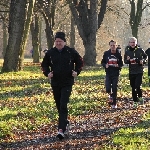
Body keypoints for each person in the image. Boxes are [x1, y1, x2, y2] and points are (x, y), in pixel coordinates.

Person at [41, 31, 83, 140]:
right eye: (56, 41)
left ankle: (61, 130)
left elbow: (80, 62)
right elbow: (44, 65)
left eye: (60, 41)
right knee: (59, 105)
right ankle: (65, 122)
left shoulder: (71, 52)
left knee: (63, 104)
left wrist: (77, 72)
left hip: (67, 82)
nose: (58, 43)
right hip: (55, 82)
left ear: (64, 42)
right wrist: (47, 73)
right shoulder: (50, 53)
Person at [124, 37, 147, 107]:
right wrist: (127, 60)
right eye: (131, 42)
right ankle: (135, 102)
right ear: (129, 43)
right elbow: (125, 61)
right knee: (133, 87)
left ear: (136, 43)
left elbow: (146, 57)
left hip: (139, 71)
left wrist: (143, 61)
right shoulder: (127, 51)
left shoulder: (140, 50)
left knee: (138, 86)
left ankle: (140, 98)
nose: (132, 44)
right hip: (131, 72)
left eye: (134, 42)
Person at [101, 40, 123, 109]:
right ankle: (110, 95)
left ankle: (114, 103)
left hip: (116, 73)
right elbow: (102, 62)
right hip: (108, 73)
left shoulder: (118, 54)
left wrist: (118, 66)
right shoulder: (106, 53)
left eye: (114, 45)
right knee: (108, 88)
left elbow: (121, 64)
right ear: (109, 46)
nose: (113, 47)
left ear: (116, 46)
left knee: (114, 88)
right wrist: (105, 65)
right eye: (111, 45)